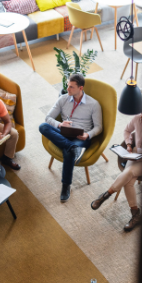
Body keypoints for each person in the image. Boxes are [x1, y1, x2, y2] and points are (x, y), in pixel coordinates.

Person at [90, 102, 142, 231]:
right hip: (136, 154)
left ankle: (105, 195)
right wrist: (129, 145)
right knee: (129, 181)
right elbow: (127, 130)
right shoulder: (138, 118)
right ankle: (136, 214)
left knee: (129, 173)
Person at [39, 73, 103, 202]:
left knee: (68, 153)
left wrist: (88, 134)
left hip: (80, 137)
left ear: (81, 88)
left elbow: (99, 127)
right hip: (63, 133)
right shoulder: (63, 99)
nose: (67, 89)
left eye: (71, 87)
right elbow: (48, 117)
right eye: (68, 86)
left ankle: (66, 185)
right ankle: (72, 147)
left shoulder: (93, 104)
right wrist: (60, 124)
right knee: (43, 126)